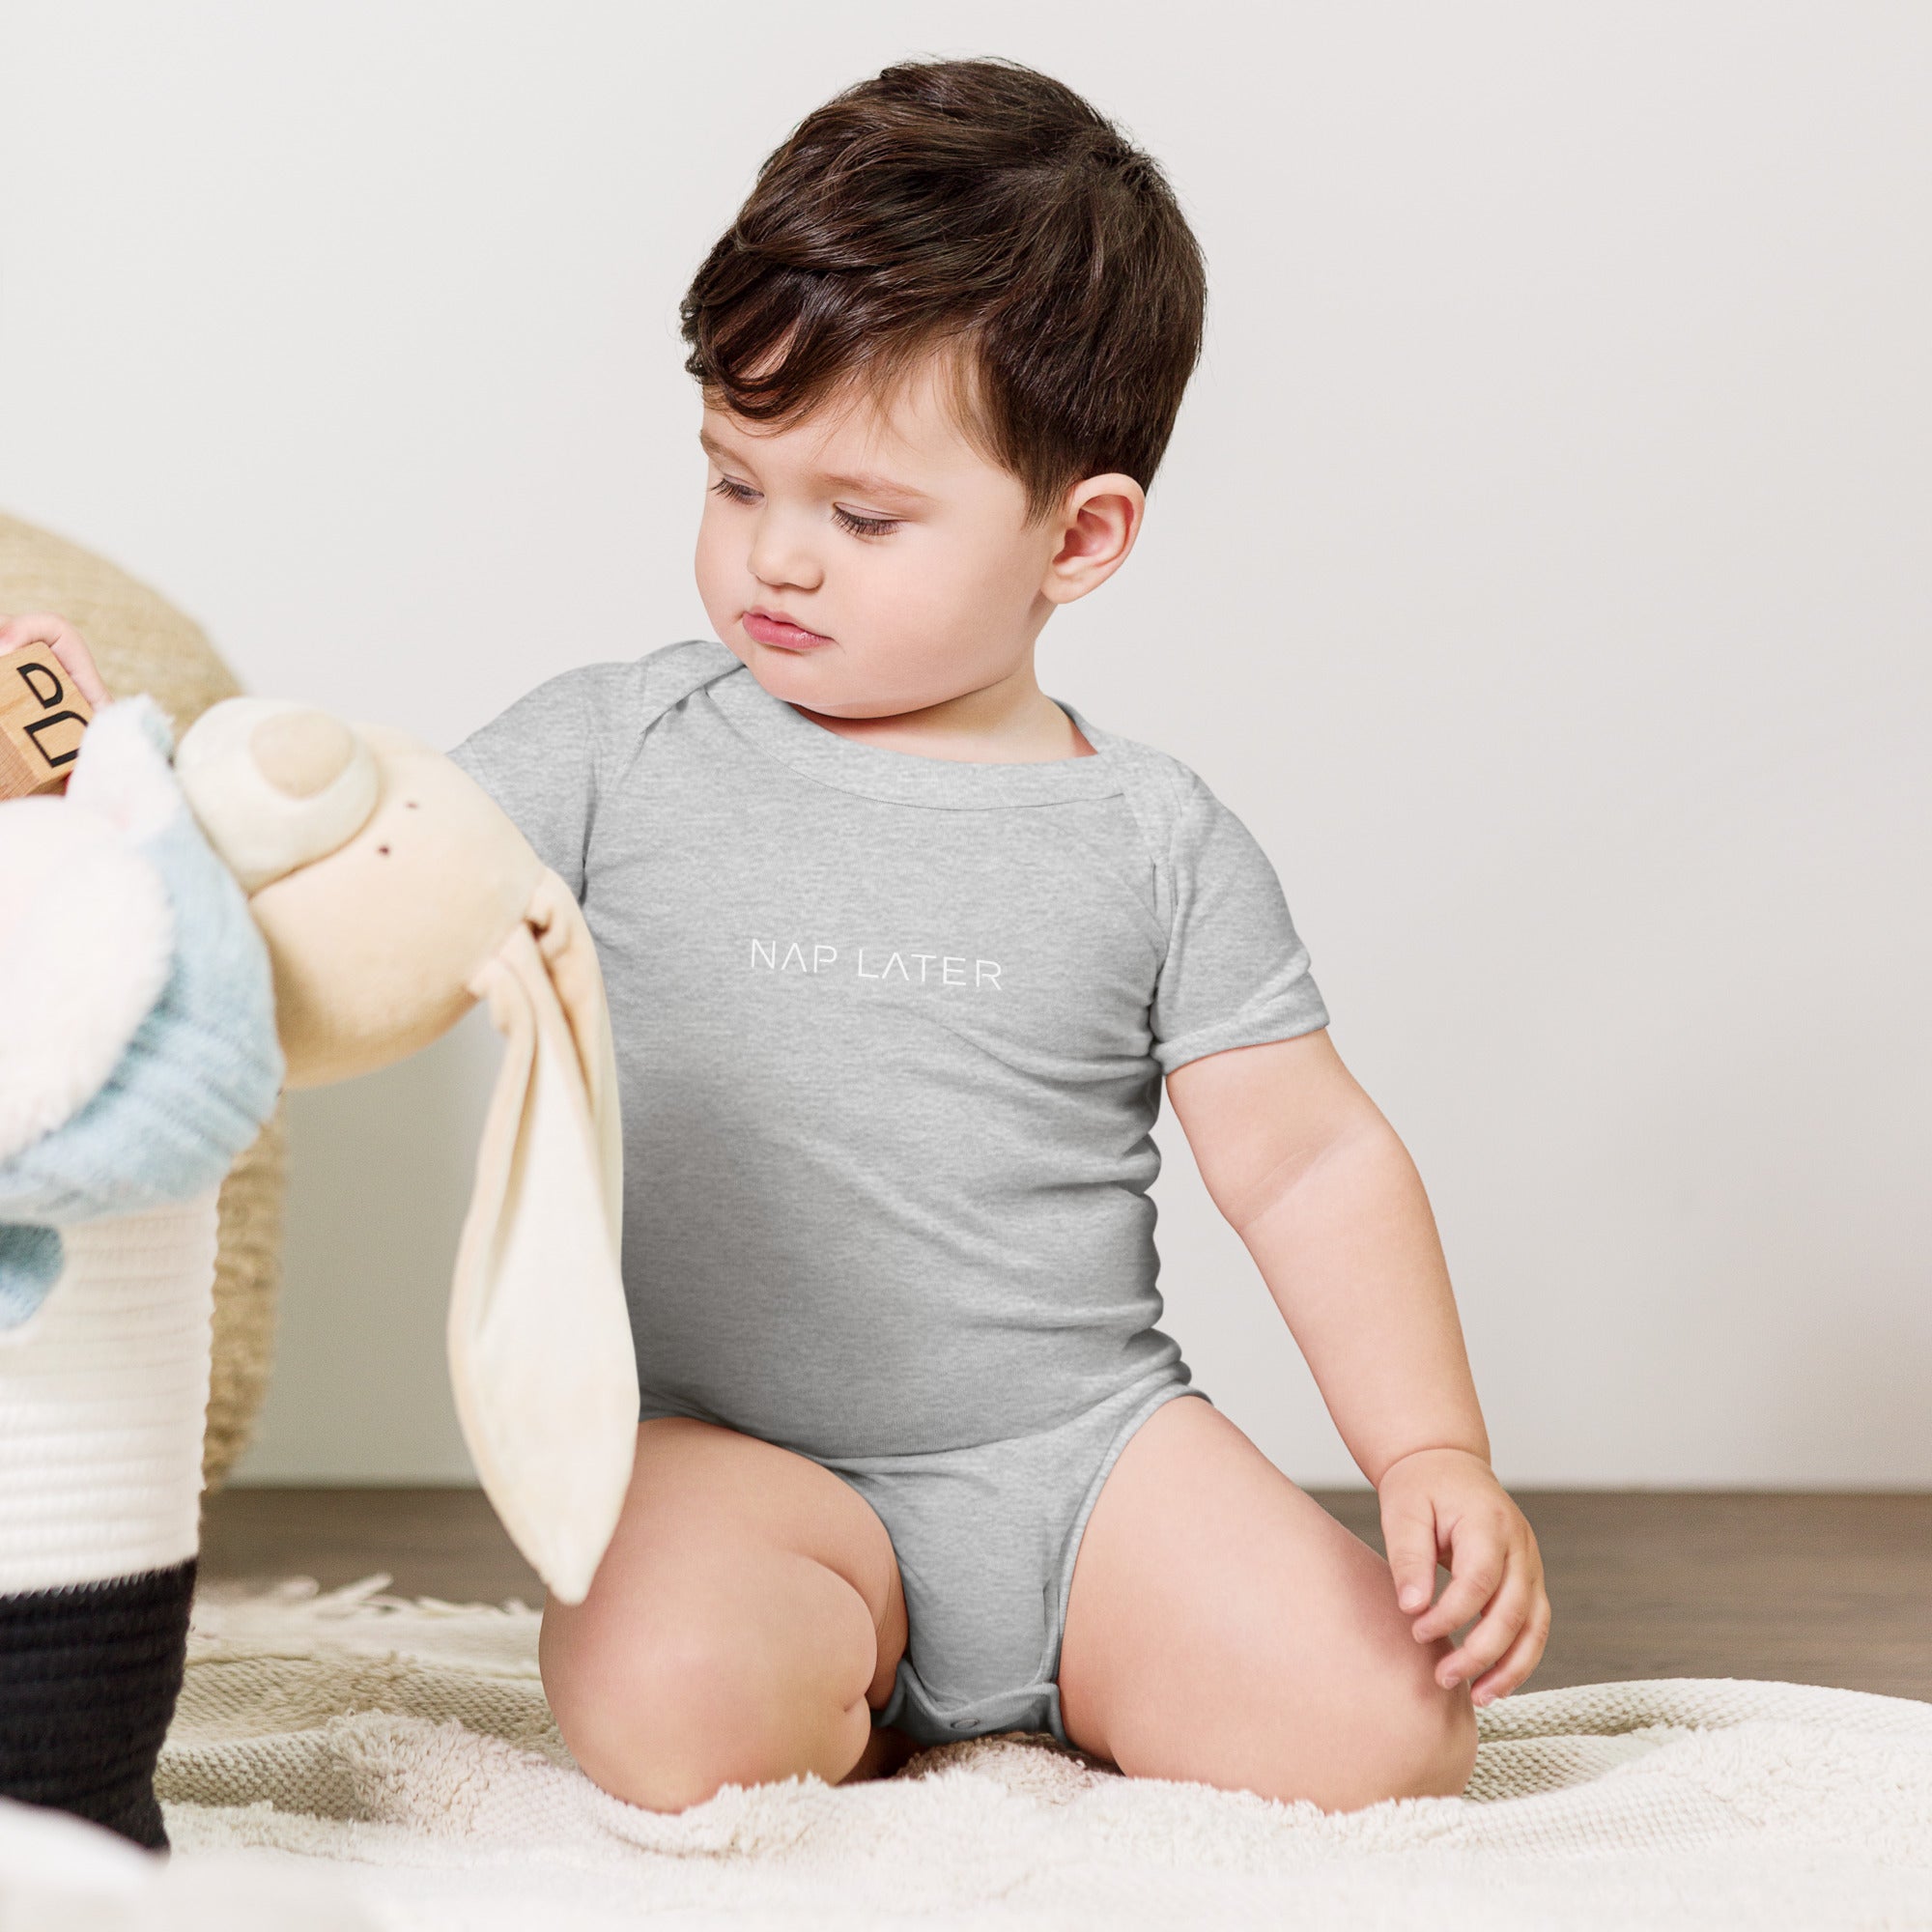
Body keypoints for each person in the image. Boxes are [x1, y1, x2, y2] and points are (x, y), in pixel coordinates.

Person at [5, 54, 1548, 1816]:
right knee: (662, 1706)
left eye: (863, 516)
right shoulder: (615, 750)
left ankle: (1044, 1674)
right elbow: (377, 884)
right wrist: (127, 830)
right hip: (736, 1459)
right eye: (738, 483)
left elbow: (1309, 1165)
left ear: (1084, 534)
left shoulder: (1155, 840)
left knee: (1389, 1737)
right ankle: (857, 1680)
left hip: (1080, 1459)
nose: (774, 561)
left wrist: (1429, 1450)